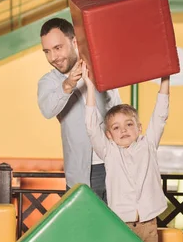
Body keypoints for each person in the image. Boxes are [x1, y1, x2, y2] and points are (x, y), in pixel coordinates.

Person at [83, 62, 170, 242]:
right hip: (122, 225)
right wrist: (89, 86)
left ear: (139, 128)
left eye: (129, 124)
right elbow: (91, 127)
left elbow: (160, 115)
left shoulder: (148, 145)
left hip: (149, 224)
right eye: (116, 127)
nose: (123, 130)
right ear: (109, 135)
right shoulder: (109, 152)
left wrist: (165, 78)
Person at [37, 17, 121, 202]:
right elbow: (47, 109)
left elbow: (116, 111)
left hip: (115, 164)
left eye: (58, 48)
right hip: (81, 173)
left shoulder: (100, 70)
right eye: (47, 51)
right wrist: (69, 84)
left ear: (74, 42)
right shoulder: (48, 82)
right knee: (84, 229)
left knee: (117, 228)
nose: (53, 58)